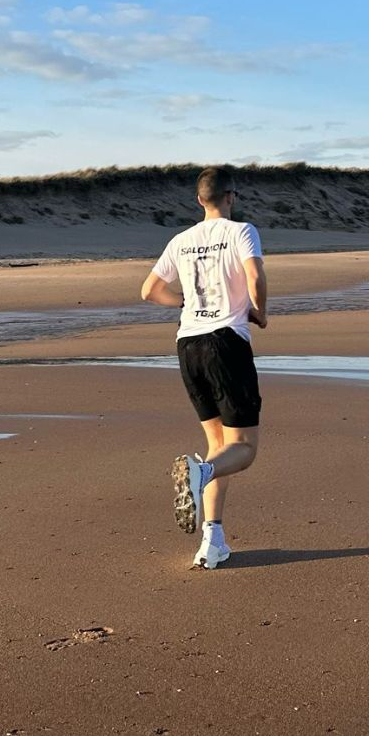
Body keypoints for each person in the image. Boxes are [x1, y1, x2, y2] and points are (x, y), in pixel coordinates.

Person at [140, 166, 268, 570]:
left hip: (187, 344)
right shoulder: (241, 231)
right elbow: (254, 273)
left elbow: (149, 290)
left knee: (219, 445)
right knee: (243, 450)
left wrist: (184, 303)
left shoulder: (182, 240)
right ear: (231, 196)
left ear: (199, 200)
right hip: (225, 342)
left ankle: (212, 540)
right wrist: (259, 312)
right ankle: (201, 473)